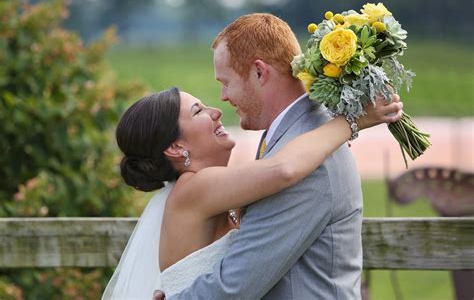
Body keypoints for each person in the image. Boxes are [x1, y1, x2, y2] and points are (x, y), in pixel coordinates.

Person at [102, 88, 401, 299]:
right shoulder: (194, 188)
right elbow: (283, 169)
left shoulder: (214, 190)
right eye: (198, 111)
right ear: (176, 148)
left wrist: (321, 144)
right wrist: (352, 122)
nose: (216, 111)